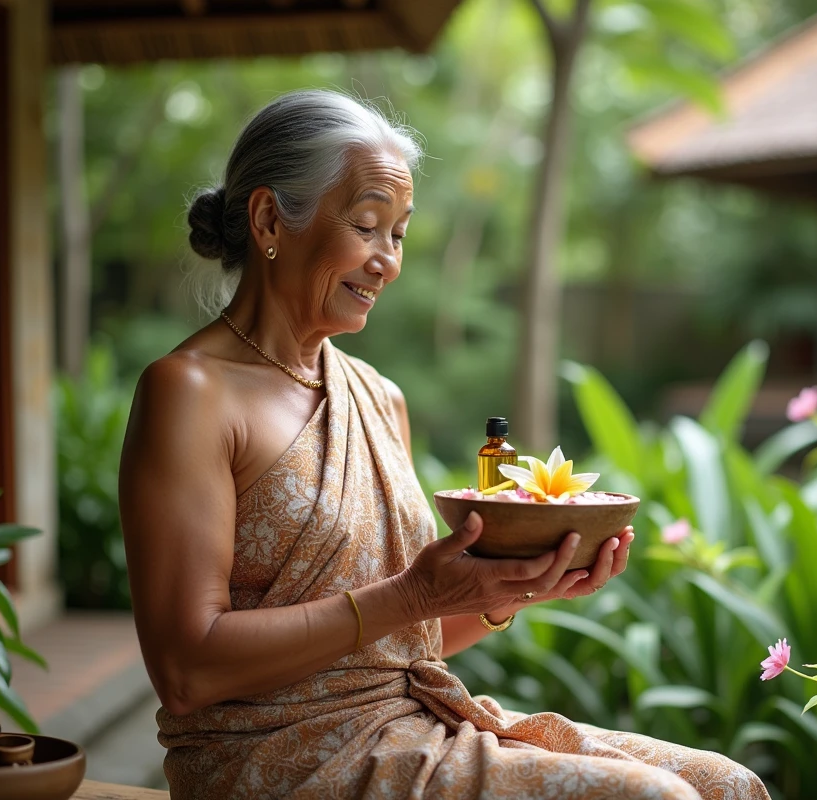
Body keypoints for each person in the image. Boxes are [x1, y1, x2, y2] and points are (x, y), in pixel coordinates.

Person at [119, 89, 771, 800]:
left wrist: (510, 591)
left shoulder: (378, 395)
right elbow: (187, 671)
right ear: (272, 218)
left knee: (726, 784)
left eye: (397, 235)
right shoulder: (190, 393)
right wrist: (411, 593)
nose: (387, 262)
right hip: (273, 758)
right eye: (367, 226)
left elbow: (406, 640)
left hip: (410, 720)